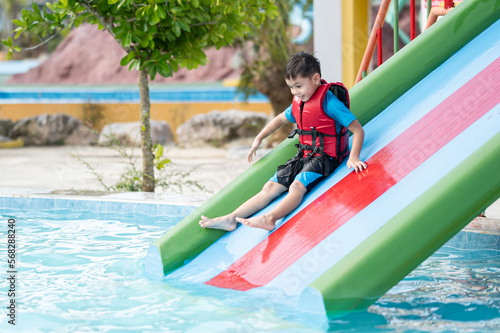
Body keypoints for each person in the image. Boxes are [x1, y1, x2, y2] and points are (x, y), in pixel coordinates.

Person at [199, 52, 367, 231]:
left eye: (298, 86)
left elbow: (357, 130)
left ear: (316, 79)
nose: (295, 92)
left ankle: (270, 218)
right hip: (305, 154)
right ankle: (231, 218)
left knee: (297, 186)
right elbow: (280, 119)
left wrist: (354, 156)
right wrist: (260, 137)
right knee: (270, 186)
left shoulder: (330, 103)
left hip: (326, 157)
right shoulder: (299, 101)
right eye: (291, 88)